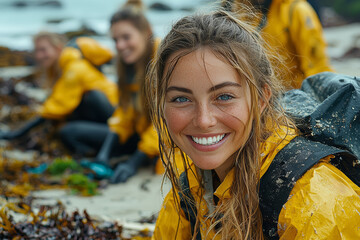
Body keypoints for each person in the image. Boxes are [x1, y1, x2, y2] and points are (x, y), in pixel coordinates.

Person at [147, 10, 360, 239]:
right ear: (161, 104)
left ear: (261, 100)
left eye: (224, 96)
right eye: (181, 99)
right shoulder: (192, 189)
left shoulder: (312, 202)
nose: (203, 120)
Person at [60, 0, 161, 183]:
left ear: (147, 32)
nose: (120, 46)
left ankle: (129, 156)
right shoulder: (127, 67)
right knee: (68, 131)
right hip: (138, 134)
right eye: (115, 40)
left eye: (126, 37)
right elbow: (124, 114)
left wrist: (135, 162)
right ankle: (106, 159)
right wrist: (104, 154)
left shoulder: (164, 62)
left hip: (161, 142)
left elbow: (166, 124)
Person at [0, 33, 118, 145]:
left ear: (58, 48)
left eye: (43, 50)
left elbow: (55, 109)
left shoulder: (74, 69)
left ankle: (106, 155)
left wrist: (15, 134)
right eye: (37, 51)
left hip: (119, 128)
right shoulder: (69, 66)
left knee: (68, 132)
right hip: (110, 125)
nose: (39, 56)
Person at [222, 0, 333, 89]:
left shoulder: (297, 10)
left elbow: (317, 66)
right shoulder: (239, 12)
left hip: (295, 98)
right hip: (262, 98)